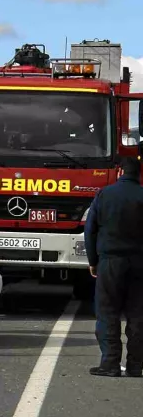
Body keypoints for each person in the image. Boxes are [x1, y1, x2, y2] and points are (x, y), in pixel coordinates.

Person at [84, 156, 143, 377]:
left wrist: (92, 261)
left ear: (119, 172)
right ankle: (136, 365)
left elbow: (90, 230)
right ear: (138, 174)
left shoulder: (104, 194)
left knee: (108, 312)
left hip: (110, 262)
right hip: (139, 263)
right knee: (138, 314)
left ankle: (109, 364)